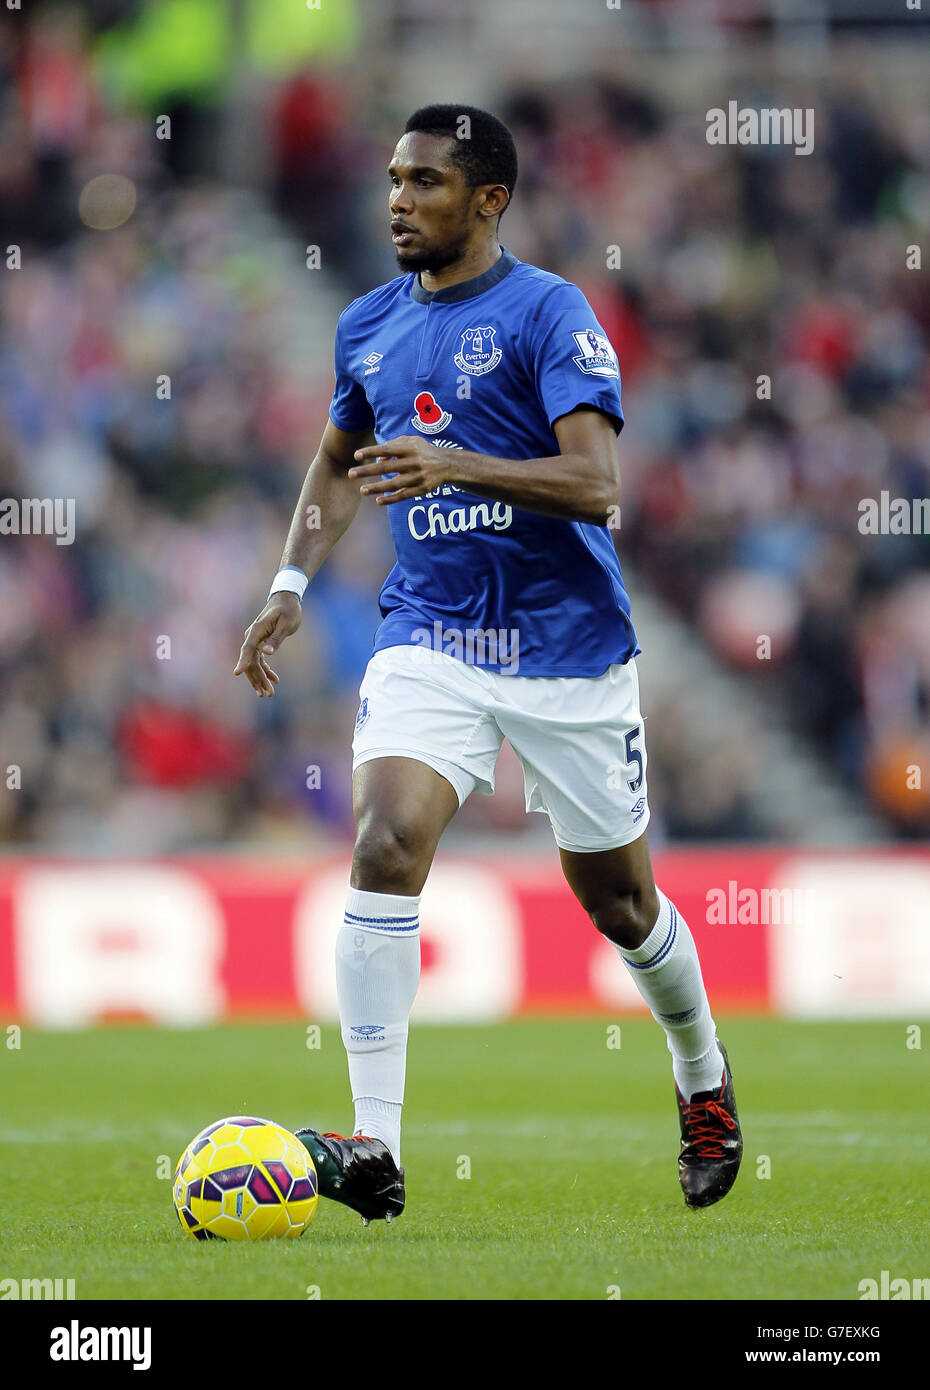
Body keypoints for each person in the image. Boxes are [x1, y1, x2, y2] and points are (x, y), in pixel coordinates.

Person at [234, 104, 741, 1221]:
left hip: (565, 645)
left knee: (619, 904)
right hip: (433, 632)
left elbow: (596, 484)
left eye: (424, 182)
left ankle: (701, 1072)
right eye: (393, 180)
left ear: (489, 199)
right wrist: (287, 585)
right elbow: (335, 462)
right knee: (383, 839)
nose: (398, 201)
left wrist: (457, 462)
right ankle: (376, 1143)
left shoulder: (550, 312)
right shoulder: (366, 324)